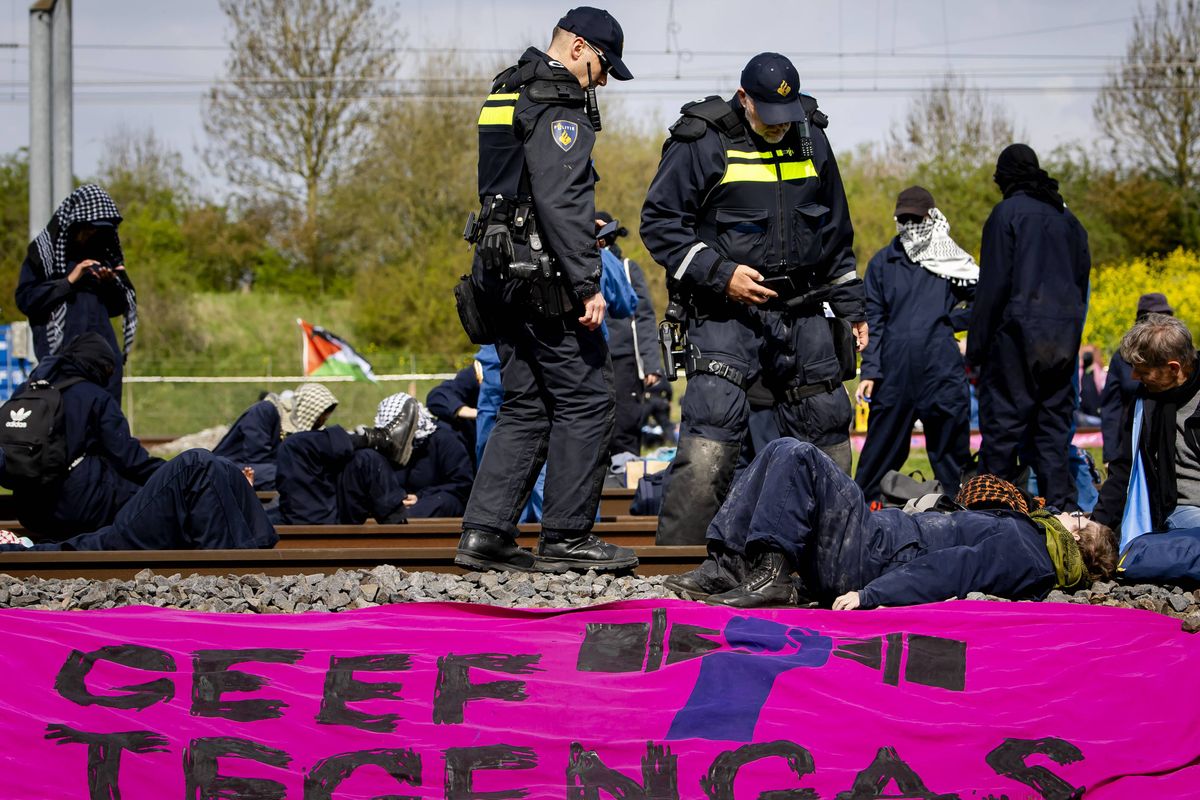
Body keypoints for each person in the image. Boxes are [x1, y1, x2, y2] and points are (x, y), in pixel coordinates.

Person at [640, 51, 866, 545]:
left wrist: (852, 307)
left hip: (803, 310)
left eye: (787, 115)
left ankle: (835, 552)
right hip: (725, 312)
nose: (780, 125)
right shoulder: (702, 140)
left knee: (827, 422)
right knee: (712, 432)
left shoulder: (811, 136)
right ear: (743, 98)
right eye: (769, 114)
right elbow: (659, 225)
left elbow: (835, 232)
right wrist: (721, 275)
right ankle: (683, 561)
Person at [456, 7, 638, 574]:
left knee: (525, 404)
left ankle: (486, 534)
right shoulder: (558, 102)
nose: (602, 82)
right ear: (579, 47)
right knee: (588, 399)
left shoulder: (507, 87)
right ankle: (567, 537)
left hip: (498, 273)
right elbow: (562, 199)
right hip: (545, 278)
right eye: (602, 67)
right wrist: (588, 283)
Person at [665, 438, 1117, 609]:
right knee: (778, 450)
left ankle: (771, 577)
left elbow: (955, 569)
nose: (1068, 512)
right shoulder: (1031, 541)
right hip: (875, 545)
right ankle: (730, 567)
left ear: (1076, 536)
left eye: (1078, 517)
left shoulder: (1028, 549)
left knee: (798, 455)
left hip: (872, 554)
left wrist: (873, 595)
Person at [968, 144, 1091, 511]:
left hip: (1015, 341)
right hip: (1063, 342)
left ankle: (995, 516)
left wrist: (976, 350)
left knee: (1002, 435)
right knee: (1053, 437)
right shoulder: (1069, 221)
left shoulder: (1006, 214)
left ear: (1005, 177)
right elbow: (1081, 284)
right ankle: (1064, 520)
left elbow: (992, 288)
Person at [854, 186, 975, 503]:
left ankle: (962, 515)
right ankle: (860, 511)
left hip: (941, 372)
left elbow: (985, 301)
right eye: (904, 219)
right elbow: (873, 320)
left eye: (916, 219)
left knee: (952, 461)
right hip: (895, 375)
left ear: (931, 218)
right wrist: (870, 371)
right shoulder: (883, 263)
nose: (910, 226)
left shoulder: (950, 261)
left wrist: (950, 321)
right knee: (878, 455)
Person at [1, 333, 163, 540]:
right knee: (137, 493)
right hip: (78, 507)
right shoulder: (95, 396)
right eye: (108, 368)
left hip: (29, 510)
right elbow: (129, 459)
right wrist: (171, 473)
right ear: (98, 364)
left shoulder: (25, 390)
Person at [0, 449, 277, 552]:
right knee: (199, 464)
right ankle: (240, 563)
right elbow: (129, 457)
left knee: (220, 466)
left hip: (116, 517)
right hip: (119, 521)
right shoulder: (89, 395)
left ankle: (252, 556)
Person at [16, 184, 137, 403]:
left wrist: (110, 283)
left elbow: (117, 308)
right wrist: (69, 281)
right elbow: (26, 300)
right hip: (63, 364)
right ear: (74, 224)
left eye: (98, 230)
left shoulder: (103, 255)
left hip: (103, 365)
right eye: (88, 228)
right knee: (65, 418)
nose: (92, 234)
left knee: (107, 419)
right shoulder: (45, 257)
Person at [275, 393, 472, 524]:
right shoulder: (376, 453)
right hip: (388, 505)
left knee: (443, 502)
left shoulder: (444, 441)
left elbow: (462, 486)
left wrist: (421, 496)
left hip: (429, 501)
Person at [1092, 314, 1200, 535]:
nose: (1133, 376)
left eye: (1143, 372)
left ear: (1173, 368)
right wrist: (1097, 525)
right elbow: (1123, 468)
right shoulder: (1145, 403)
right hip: (1183, 508)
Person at [597, 212, 664, 456]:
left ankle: (626, 473)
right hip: (592, 357)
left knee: (625, 421)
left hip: (624, 358)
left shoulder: (627, 268)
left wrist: (650, 364)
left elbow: (644, 316)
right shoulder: (579, 266)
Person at [211, 383, 339, 490]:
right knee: (291, 475)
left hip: (264, 469)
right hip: (230, 468)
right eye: (319, 417)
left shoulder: (296, 427)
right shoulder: (264, 411)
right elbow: (257, 457)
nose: (321, 421)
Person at [1100, 292, 1173, 465]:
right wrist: (1110, 455)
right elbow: (1112, 409)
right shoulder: (1122, 357)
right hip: (1131, 440)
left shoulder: (1178, 353)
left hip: (1169, 439)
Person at [425, 363, 482, 465]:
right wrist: (477, 413)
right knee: (446, 426)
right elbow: (437, 396)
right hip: (476, 453)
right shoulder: (482, 371)